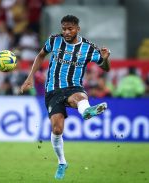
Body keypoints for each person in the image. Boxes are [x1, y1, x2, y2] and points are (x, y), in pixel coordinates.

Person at [20, 15, 110, 180]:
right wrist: (30, 77)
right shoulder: (54, 40)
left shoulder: (88, 48)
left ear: (78, 29)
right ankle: (62, 162)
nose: (67, 32)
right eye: (64, 29)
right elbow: (41, 55)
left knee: (79, 97)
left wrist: (105, 59)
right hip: (53, 90)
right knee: (57, 129)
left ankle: (86, 111)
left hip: (73, 87)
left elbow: (105, 68)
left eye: (70, 29)